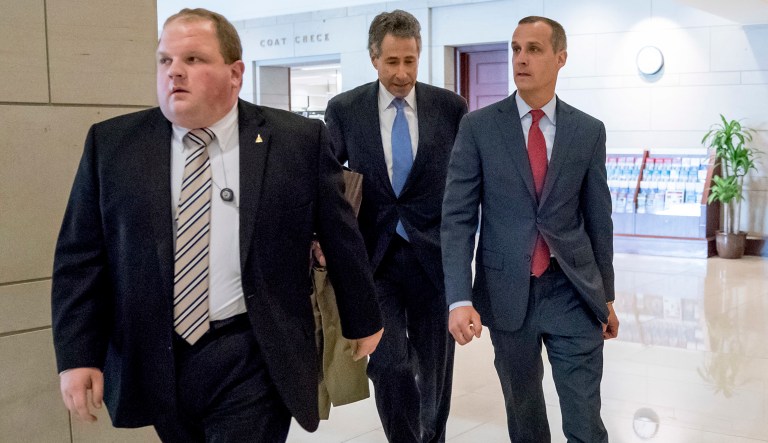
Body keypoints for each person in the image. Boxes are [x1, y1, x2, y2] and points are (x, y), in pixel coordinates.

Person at [51, 8, 383, 443]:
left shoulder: (296, 141)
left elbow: (341, 237)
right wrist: (77, 354)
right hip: (158, 356)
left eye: (193, 60)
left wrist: (365, 318)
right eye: (166, 60)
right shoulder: (113, 145)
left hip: (254, 350)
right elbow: (81, 257)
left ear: (235, 72)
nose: (175, 73)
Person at [441, 16, 620, 443]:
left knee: (584, 420)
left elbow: (599, 218)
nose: (521, 59)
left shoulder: (587, 131)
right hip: (507, 293)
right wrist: (459, 297)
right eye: (516, 49)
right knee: (524, 419)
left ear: (561, 58)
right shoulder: (479, 127)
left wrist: (606, 296)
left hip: (572, 290)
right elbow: (458, 217)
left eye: (534, 50)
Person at [324, 9, 467, 443]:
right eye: (392, 62)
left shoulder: (449, 108)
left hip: (434, 258)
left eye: (410, 61)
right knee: (388, 363)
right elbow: (327, 180)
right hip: (375, 259)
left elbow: (466, 181)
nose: (402, 73)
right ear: (373, 58)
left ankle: (432, 437)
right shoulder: (346, 109)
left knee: (435, 372)